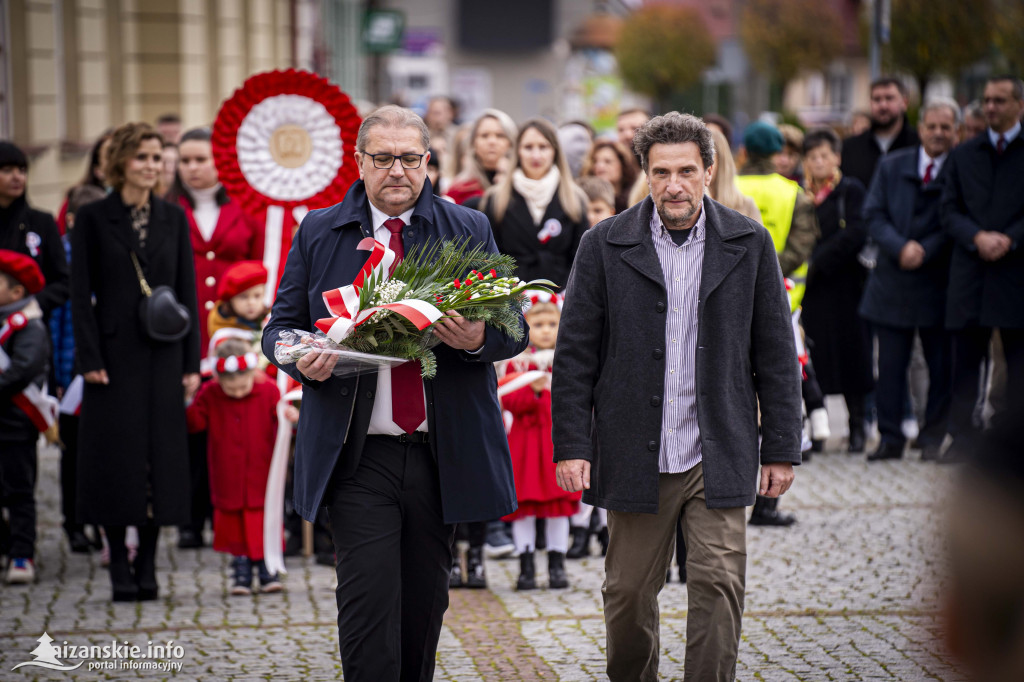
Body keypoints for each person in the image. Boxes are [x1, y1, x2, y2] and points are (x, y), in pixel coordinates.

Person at [261, 105, 528, 681]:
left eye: (409, 158)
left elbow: (515, 329)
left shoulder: (469, 227)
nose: (397, 171)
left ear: (428, 162)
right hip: (359, 455)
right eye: (382, 158)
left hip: (440, 454)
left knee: (423, 612)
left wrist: (480, 337)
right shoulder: (320, 230)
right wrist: (302, 360)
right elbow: (279, 328)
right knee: (367, 612)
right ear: (359, 163)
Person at [552, 112, 801, 682]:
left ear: (709, 172)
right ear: (645, 174)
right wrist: (572, 444)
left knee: (718, 584)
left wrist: (781, 446)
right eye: (661, 172)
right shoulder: (604, 244)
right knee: (628, 595)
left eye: (687, 170)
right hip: (636, 451)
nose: (674, 185)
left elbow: (775, 354)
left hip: (718, 446)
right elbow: (574, 358)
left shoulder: (749, 242)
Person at [71, 122, 201, 602]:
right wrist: (88, 358)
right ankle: (118, 570)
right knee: (114, 462)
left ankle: (147, 565)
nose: (152, 165)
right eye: (142, 157)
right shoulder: (93, 217)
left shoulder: (172, 216)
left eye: (156, 157)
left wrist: (192, 363)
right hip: (111, 358)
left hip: (164, 355)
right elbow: (80, 296)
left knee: (158, 461)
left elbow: (186, 290)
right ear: (121, 160)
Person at [861, 99, 959, 462]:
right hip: (892, 281)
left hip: (939, 283)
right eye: (931, 126)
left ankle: (932, 437)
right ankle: (890, 438)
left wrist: (926, 249)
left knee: (940, 366)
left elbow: (958, 217)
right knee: (889, 367)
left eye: (945, 127)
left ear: (955, 132)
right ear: (921, 129)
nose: (937, 133)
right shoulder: (892, 165)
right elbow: (872, 214)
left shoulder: (960, 169)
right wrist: (900, 247)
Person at [735, 122, 818, 524]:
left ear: (745, 151)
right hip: (786, 306)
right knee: (779, 395)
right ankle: (767, 500)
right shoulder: (794, 193)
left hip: (732, 304)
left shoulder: (730, 187)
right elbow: (803, 246)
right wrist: (768, 275)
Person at [940, 75, 1024, 460]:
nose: (991, 107)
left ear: (1018, 105)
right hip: (971, 271)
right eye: (987, 100)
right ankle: (962, 437)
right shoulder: (964, 154)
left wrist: (1010, 238)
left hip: (1015, 272)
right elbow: (948, 209)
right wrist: (978, 237)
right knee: (965, 362)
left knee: (1018, 363)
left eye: (1000, 100)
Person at [186, 338, 282, 596]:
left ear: (253, 373)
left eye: (243, 387)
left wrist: (290, 416)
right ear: (218, 380)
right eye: (232, 389)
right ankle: (240, 569)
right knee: (232, 522)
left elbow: (282, 420)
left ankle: (266, 567)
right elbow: (195, 423)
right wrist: (187, 399)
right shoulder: (210, 394)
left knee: (262, 519)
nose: (238, 393)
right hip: (227, 470)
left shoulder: (269, 391)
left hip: (261, 469)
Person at [800, 128, 873, 454]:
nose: (818, 162)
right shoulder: (799, 193)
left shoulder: (850, 190)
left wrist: (819, 260)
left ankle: (858, 426)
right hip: (812, 291)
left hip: (845, 286)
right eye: (812, 156)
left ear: (837, 158)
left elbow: (857, 231)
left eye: (824, 155)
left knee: (852, 357)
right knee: (815, 360)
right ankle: (818, 429)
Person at [502, 300, 579, 590]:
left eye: (552, 324)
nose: (546, 331)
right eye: (538, 325)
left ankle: (557, 565)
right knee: (524, 507)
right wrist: (532, 390)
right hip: (524, 444)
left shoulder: (566, 359)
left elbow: (573, 401)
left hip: (553, 443)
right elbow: (507, 399)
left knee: (557, 506)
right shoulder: (516, 361)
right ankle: (526, 566)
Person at [50, 184, 106, 554]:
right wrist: (56, 375)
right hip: (70, 371)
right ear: (71, 220)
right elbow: (56, 322)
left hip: (106, 369)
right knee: (73, 454)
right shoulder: (64, 260)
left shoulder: (109, 255)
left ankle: (103, 522)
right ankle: (73, 523)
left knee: (105, 450)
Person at [472, 118, 589, 289]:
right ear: (517, 151)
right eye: (528, 147)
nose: (536, 155)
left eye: (543, 147)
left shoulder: (575, 198)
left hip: (562, 299)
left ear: (554, 151)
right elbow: (489, 260)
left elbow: (580, 259)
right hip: (512, 301)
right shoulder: (496, 199)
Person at [0, 250, 50, 584]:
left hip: (16, 421)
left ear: (16, 292)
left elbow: (22, 370)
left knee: (18, 490)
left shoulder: (29, 326)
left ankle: (22, 553)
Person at [0, 142, 70, 318]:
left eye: (22, 171)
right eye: (7, 170)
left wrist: (32, 306)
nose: (17, 177)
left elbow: (63, 281)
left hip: (29, 325)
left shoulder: (42, 222)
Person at [840, 77, 920, 191]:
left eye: (889, 98)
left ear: (904, 102)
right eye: (877, 99)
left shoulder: (919, 145)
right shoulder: (850, 148)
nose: (883, 105)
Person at [445, 109, 517, 205]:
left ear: (511, 142)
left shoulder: (523, 186)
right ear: (473, 143)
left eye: (500, 136)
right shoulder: (458, 190)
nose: (492, 141)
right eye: (484, 136)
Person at [208, 260, 268, 338]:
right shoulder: (223, 331)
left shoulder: (271, 321)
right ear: (231, 300)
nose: (251, 302)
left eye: (257, 296)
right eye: (244, 297)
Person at [581, 140, 640, 213]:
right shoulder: (582, 198)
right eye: (595, 161)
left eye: (607, 161)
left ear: (623, 165)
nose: (599, 166)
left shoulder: (635, 201)